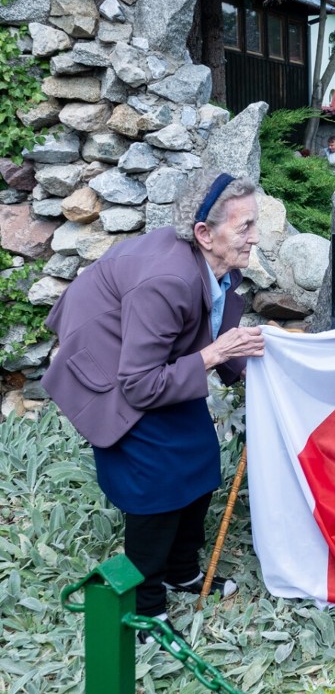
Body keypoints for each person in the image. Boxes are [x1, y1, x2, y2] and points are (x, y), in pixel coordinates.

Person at [42, 171, 265, 643]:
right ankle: (146, 610)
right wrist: (217, 355)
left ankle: (180, 571)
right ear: (204, 233)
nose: (255, 237)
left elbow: (212, 321)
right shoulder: (168, 280)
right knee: (155, 484)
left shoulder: (210, 262)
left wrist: (245, 369)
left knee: (201, 459)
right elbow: (141, 385)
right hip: (111, 371)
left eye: (254, 224)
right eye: (245, 226)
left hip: (150, 361)